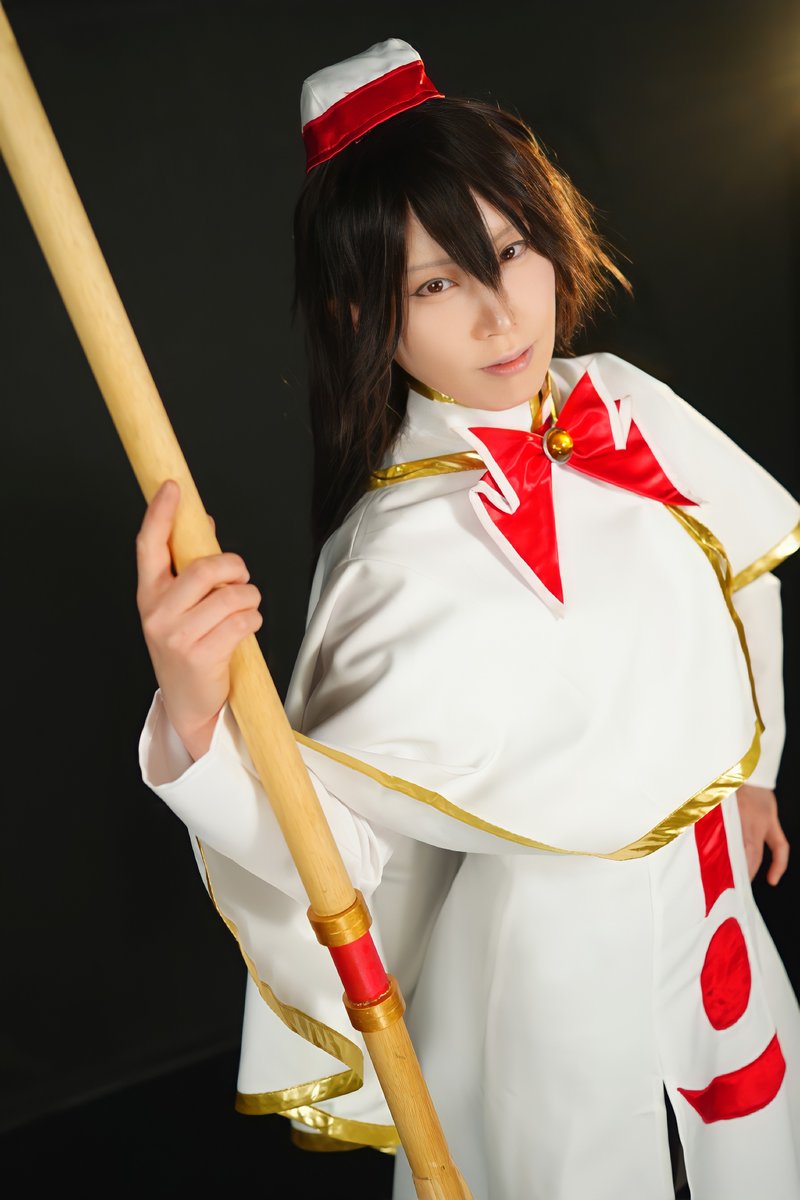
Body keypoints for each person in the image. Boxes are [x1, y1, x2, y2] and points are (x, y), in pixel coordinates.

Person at [135, 37, 800, 1200]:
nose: (500, 316)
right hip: (547, 963)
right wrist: (198, 722)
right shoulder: (393, 558)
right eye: (436, 284)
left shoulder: (621, 407)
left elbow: (741, 573)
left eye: (511, 250)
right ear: (363, 313)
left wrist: (750, 769)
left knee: (753, 1157)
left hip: (714, 908)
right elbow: (335, 854)